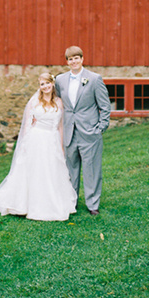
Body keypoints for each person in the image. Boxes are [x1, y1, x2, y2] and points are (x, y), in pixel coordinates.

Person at [0, 73, 77, 221]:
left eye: (47, 83)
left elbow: (60, 126)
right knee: (34, 170)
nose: (45, 86)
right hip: (36, 138)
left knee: (51, 170)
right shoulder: (34, 102)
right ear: (39, 86)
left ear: (52, 84)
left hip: (52, 139)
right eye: (42, 84)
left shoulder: (59, 102)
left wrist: (61, 147)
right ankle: (25, 204)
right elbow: (27, 125)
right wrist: (25, 145)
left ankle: (51, 201)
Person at [55, 46, 111, 216]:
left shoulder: (94, 79)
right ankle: (71, 202)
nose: (74, 62)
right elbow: (58, 103)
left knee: (91, 169)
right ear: (67, 62)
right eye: (70, 59)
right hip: (69, 131)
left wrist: (100, 127)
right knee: (70, 169)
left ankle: (92, 204)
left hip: (90, 132)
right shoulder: (60, 80)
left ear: (82, 59)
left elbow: (105, 106)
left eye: (76, 58)